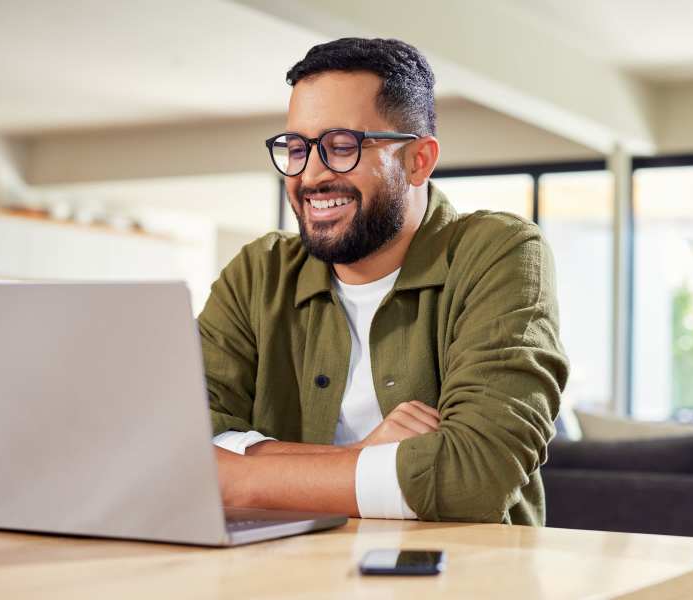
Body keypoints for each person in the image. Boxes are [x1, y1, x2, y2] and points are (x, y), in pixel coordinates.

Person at [203, 37, 568, 525]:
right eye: (296, 148)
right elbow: (178, 442)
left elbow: (475, 475)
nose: (310, 175)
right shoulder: (257, 273)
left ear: (417, 160)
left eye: (341, 147)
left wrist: (238, 479)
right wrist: (363, 458)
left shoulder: (498, 253)